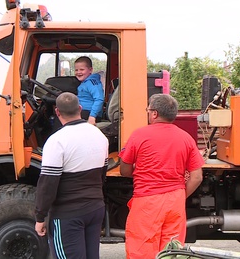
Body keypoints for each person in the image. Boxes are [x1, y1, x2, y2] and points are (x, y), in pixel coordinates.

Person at [118, 94, 204, 259]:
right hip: (176, 200)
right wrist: (180, 195)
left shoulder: (139, 135)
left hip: (148, 200)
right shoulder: (186, 138)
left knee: (142, 250)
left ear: (155, 113)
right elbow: (197, 177)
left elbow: (125, 170)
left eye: (148, 110)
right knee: (171, 251)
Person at [35, 92, 109, 258]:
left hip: (68, 215)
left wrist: (40, 216)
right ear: (80, 108)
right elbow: (102, 176)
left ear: (57, 112)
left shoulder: (57, 141)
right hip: (96, 209)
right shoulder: (99, 136)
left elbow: (48, 184)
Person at [74, 56, 105, 125]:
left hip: (89, 113)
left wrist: (92, 116)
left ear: (90, 70)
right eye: (76, 70)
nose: (78, 72)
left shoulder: (92, 83)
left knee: (65, 117)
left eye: (82, 69)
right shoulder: (84, 83)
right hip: (83, 111)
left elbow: (99, 99)